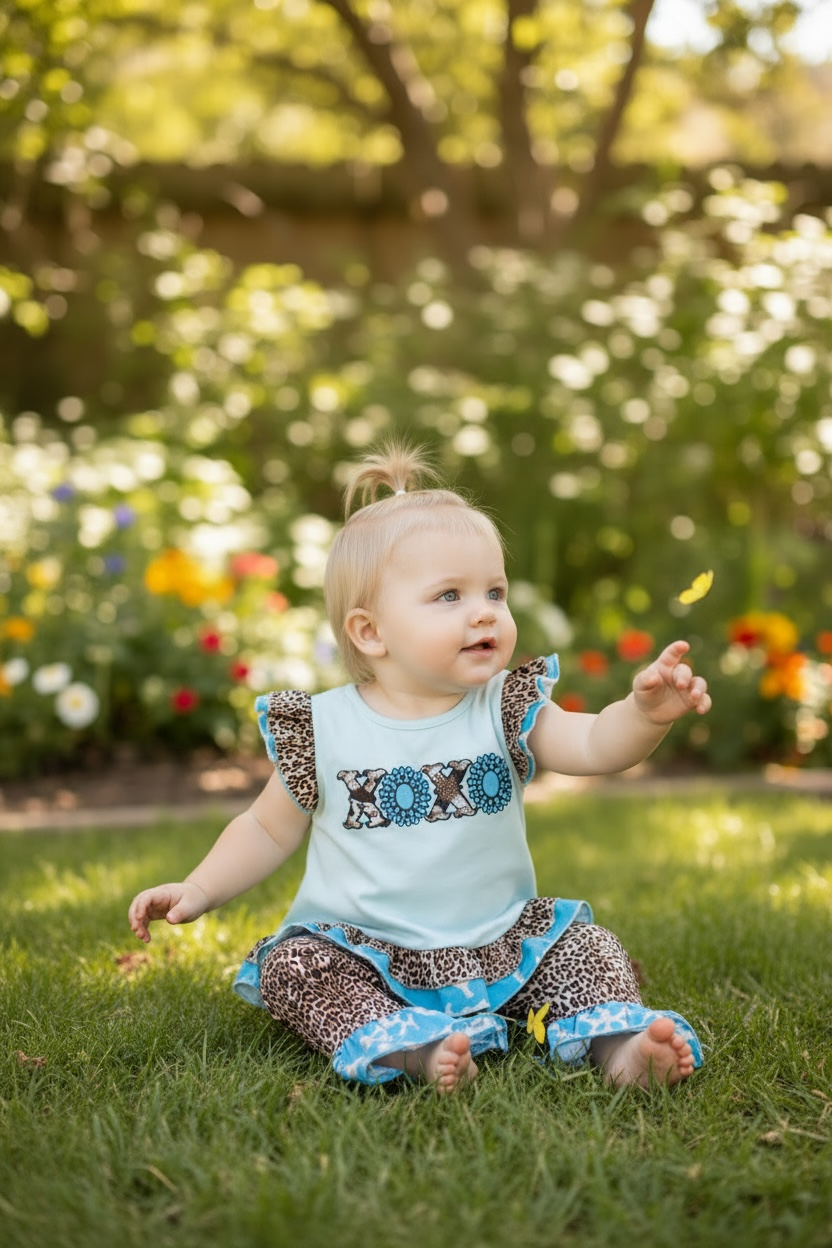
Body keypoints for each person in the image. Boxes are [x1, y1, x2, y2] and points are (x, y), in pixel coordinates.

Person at [129, 443, 712, 1094]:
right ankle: (407, 1048)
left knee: (585, 947)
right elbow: (266, 830)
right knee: (292, 966)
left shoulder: (505, 707)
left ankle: (623, 1046)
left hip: (501, 949)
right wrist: (198, 889)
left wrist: (644, 713)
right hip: (366, 954)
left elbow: (597, 746)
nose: (484, 610)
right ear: (370, 632)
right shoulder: (323, 728)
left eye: (494, 590)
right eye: (449, 596)